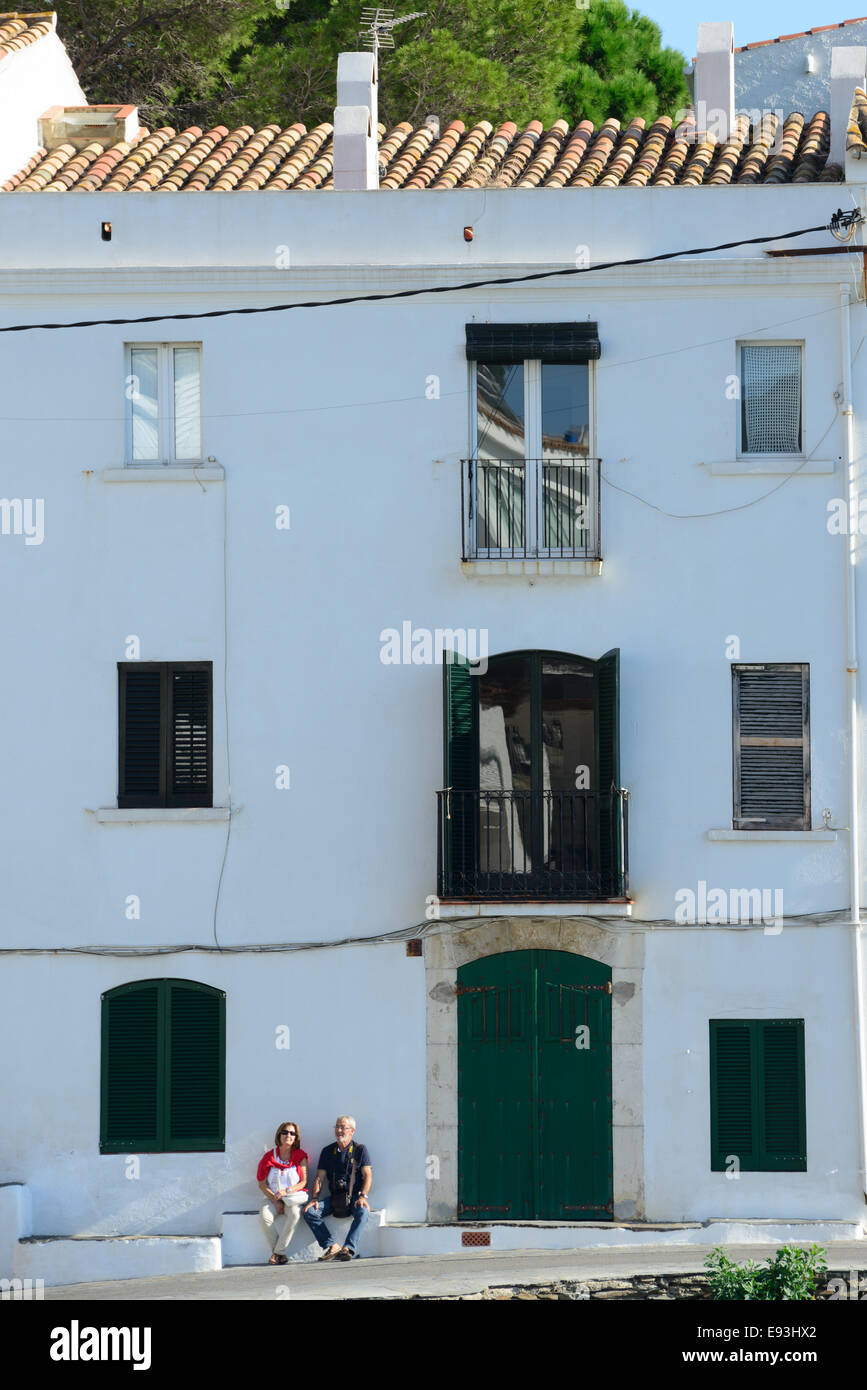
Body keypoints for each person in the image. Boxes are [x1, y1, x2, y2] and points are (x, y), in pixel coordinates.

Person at [303, 1116, 372, 1261]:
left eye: (343, 1127)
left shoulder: (360, 1150)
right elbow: (319, 1178)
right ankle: (332, 1246)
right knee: (310, 1212)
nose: (339, 1130)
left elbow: (368, 1176)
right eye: (337, 1127)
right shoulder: (327, 1151)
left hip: (354, 1197)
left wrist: (363, 1196)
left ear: (352, 1131)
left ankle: (348, 1248)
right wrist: (314, 1198)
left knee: (363, 1212)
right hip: (334, 1198)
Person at [256, 1121, 309, 1264]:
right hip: (272, 1198)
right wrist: (275, 1199)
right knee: (265, 1216)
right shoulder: (269, 1157)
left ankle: (277, 1253)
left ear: (296, 1137)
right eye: (285, 1132)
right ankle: (280, 1254)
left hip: (291, 1198)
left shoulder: (300, 1156)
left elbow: (304, 1182)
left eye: (292, 1133)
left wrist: (287, 1191)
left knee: (295, 1214)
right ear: (279, 1135)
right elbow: (261, 1183)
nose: (288, 1135)